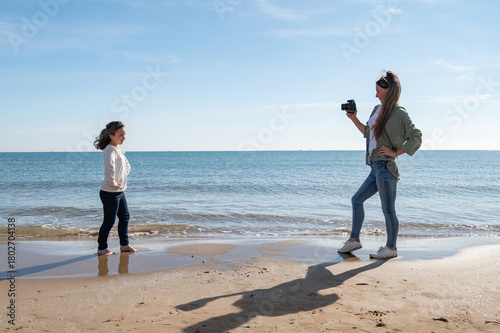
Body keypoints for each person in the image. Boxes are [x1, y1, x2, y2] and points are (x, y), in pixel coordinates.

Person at [338, 70, 422, 259]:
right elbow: (368, 134)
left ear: (389, 90)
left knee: (388, 209)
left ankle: (391, 248)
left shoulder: (399, 113)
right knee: (356, 200)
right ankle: (354, 240)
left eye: (378, 91)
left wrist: (395, 152)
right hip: (375, 168)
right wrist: (354, 119)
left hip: (386, 168)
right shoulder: (377, 110)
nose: (375, 94)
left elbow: (416, 137)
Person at [94, 121, 136, 256]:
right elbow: (110, 167)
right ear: (111, 135)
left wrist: (122, 177)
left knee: (125, 217)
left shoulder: (118, 150)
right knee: (109, 221)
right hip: (109, 192)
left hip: (119, 191)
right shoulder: (110, 150)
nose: (124, 137)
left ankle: (124, 244)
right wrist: (112, 182)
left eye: (124, 135)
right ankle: (102, 248)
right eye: (121, 135)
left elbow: (127, 166)